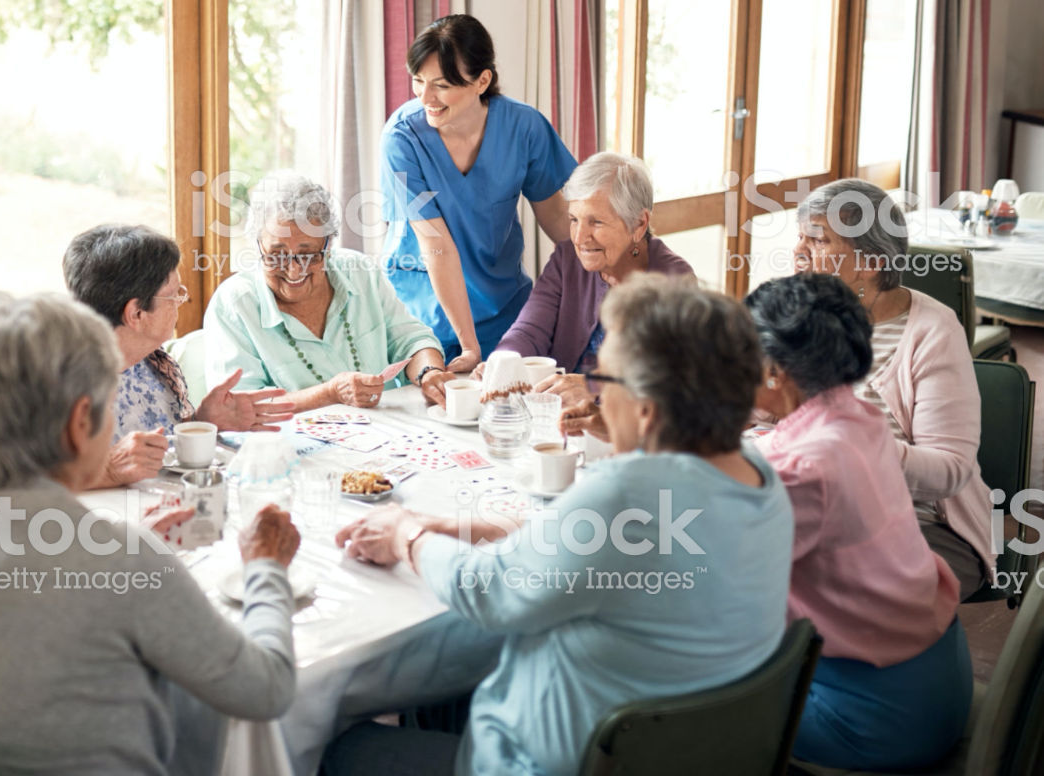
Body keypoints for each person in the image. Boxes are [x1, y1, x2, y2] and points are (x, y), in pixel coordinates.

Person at [327, 275, 792, 776]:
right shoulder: (758, 474)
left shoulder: (628, 490)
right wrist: (464, 526)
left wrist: (406, 535)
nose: (594, 397)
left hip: (542, 762)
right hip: (695, 751)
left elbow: (489, 590)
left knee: (335, 745)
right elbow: (600, 538)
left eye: (602, 381)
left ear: (647, 408)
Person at [0, 291, 300, 776]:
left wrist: (118, 547)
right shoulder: (124, 560)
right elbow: (266, 690)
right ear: (82, 423)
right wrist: (267, 567)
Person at [747, 274, 971, 770]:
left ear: (775, 372)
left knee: (667, 677)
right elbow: (774, 450)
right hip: (935, 682)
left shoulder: (804, 470)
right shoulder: (856, 417)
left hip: (874, 721)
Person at [0, 223, 293, 490]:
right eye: (174, 294)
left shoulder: (158, 365)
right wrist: (105, 470)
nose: (182, 301)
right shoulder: (43, 374)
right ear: (136, 314)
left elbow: (163, 454)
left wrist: (204, 423)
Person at [791, 178, 994, 598]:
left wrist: (856, 449)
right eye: (800, 238)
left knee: (818, 584)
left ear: (868, 263)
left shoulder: (932, 331)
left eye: (817, 241)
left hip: (920, 523)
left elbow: (951, 469)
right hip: (813, 508)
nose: (798, 254)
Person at [381, 14, 578, 372]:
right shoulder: (402, 139)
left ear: (482, 80)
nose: (426, 97)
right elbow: (435, 244)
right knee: (432, 414)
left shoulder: (524, 128)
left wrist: (612, 258)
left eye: (441, 84)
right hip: (421, 307)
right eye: (418, 81)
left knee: (508, 409)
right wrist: (469, 347)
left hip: (502, 304)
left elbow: (555, 217)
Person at [482, 152, 693, 435]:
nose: (580, 238)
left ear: (639, 224)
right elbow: (529, 330)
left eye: (596, 222)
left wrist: (593, 385)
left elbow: (672, 377)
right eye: (574, 219)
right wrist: (501, 363)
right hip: (558, 425)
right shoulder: (566, 259)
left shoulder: (674, 280)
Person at [204, 173, 453, 412]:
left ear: (329, 245)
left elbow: (411, 339)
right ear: (258, 245)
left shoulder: (360, 272)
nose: (293, 271)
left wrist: (428, 372)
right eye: (276, 255)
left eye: (309, 255)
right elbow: (239, 407)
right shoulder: (234, 305)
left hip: (385, 434)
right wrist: (330, 393)